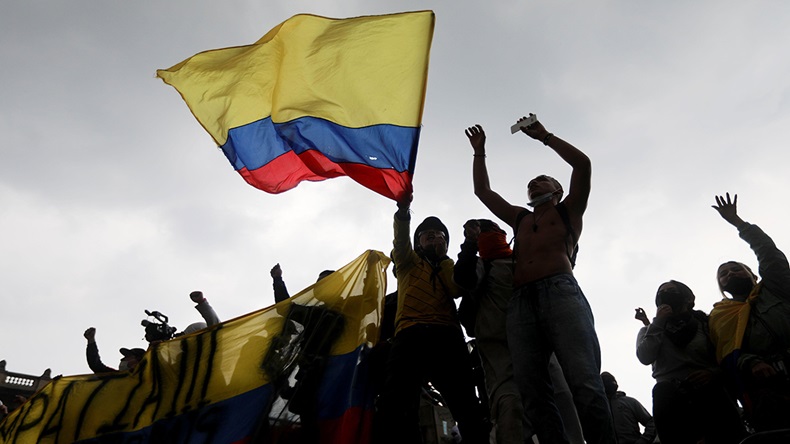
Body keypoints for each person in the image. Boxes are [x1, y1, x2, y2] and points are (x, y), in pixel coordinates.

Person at [466, 117, 614, 444]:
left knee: (584, 383)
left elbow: (583, 164)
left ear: (558, 191)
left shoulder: (569, 211)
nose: (533, 183)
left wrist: (545, 136)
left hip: (560, 292)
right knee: (533, 391)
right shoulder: (521, 218)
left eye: (542, 180)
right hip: (521, 304)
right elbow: (483, 192)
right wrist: (480, 152)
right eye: (530, 182)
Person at [454, 218, 584, 444]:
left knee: (561, 407)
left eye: (489, 231)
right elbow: (463, 279)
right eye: (481, 233)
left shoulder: (525, 262)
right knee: (510, 409)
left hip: (540, 349)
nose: (486, 236)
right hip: (500, 353)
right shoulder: (481, 266)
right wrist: (469, 244)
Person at [377, 196, 488, 444]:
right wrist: (403, 210)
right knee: (396, 404)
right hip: (409, 334)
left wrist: (460, 250)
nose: (434, 237)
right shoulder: (407, 262)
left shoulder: (447, 266)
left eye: (440, 235)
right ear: (418, 242)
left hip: (447, 336)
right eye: (428, 234)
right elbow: (401, 240)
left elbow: (458, 288)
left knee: (466, 406)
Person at [709, 192, 790, 433]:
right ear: (721, 287)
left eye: (736, 269)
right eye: (724, 274)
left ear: (753, 274)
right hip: (768, 385)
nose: (730, 274)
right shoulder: (720, 316)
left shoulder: (775, 287)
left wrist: (738, 222)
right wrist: (751, 362)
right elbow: (727, 355)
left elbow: (768, 252)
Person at [636, 280, 748, 444]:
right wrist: (657, 323)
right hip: (671, 399)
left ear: (688, 298)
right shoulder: (649, 331)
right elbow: (645, 357)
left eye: (672, 290)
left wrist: (713, 373)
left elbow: (723, 354)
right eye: (662, 292)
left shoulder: (706, 324)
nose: (666, 294)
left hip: (711, 393)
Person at [600, 371, 656, 444]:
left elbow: (651, 422)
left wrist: (643, 440)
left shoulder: (629, 402)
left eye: (610, 381)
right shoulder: (599, 407)